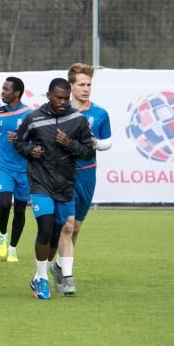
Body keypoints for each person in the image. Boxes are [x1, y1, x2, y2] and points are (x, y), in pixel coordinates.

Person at [13, 78, 95, 300]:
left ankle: (43, 272)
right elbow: (19, 142)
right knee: (45, 228)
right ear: (48, 95)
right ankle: (41, 279)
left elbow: (89, 151)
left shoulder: (77, 120)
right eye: (58, 97)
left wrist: (69, 144)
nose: (62, 102)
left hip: (65, 184)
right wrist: (30, 150)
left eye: (65, 98)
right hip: (40, 183)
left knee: (55, 237)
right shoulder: (33, 118)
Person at [54, 63, 112, 295]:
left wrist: (96, 143)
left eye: (89, 84)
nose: (86, 88)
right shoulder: (59, 110)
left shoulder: (99, 113)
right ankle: (67, 277)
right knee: (66, 226)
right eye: (81, 84)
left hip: (88, 173)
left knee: (75, 227)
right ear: (71, 86)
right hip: (64, 173)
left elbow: (108, 141)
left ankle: (59, 265)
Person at [0, 77, 32, 263]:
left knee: (21, 211)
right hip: (5, 167)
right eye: (2, 88)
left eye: (6, 89)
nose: (2, 92)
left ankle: (13, 248)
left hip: (24, 169)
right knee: (5, 203)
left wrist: (21, 140)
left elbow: (36, 141)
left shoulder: (30, 114)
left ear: (17, 93)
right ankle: (2, 235)